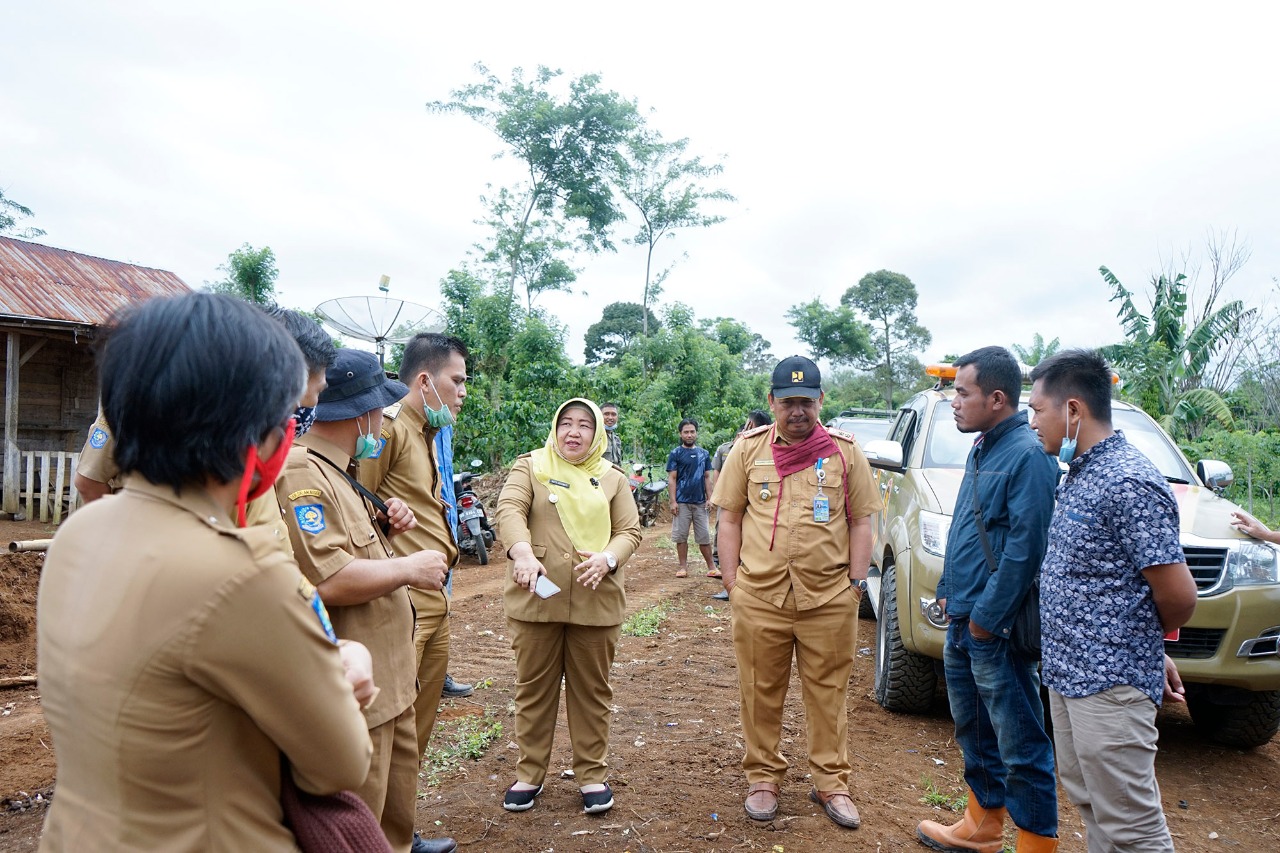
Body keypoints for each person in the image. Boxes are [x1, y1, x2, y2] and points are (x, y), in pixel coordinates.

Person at [37, 293, 374, 851]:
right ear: (254, 427)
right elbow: (339, 765)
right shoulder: (241, 575)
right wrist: (350, 668)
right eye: (287, 413)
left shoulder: (79, 535)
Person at [277, 349, 456, 853]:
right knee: (359, 833)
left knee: (393, 828)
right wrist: (408, 567)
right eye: (379, 409)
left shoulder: (342, 471)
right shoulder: (301, 472)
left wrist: (382, 522)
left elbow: (344, 544)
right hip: (361, 692)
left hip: (392, 684)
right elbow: (327, 577)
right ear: (363, 415)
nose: (383, 418)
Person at [1028, 349, 1198, 853]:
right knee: (1093, 807)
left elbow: (1179, 597)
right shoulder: (1082, 471)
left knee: (1131, 825)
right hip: (1069, 675)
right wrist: (1146, 642)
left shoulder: (1127, 481)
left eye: (1038, 409)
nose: (1032, 421)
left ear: (1073, 410)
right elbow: (1118, 584)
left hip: (1109, 685)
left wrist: (1135, 647)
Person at [711, 355, 881, 831]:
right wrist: (732, 583)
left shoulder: (846, 453)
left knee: (828, 695)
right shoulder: (748, 451)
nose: (798, 411)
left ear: (821, 401)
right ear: (772, 401)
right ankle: (763, 778)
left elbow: (861, 520)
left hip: (828, 599)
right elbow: (729, 518)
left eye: (806, 401)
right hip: (760, 597)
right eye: (788, 402)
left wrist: (854, 584)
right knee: (759, 691)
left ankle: (831, 782)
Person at [917, 346, 1060, 853]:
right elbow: (973, 532)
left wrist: (984, 622)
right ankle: (983, 824)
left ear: (997, 398)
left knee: (1022, 744)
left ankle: (1035, 844)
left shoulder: (1028, 455)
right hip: (967, 617)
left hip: (995, 629)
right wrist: (951, 596)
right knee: (975, 731)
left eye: (962, 392)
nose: (953, 401)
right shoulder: (984, 446)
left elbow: (1027, 551)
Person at [495, 398, 642, 815]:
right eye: (566, 423)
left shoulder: (612, 478)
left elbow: (629, 530)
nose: (573, 432)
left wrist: (608, 558)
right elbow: (510, 509)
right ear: (555, 428)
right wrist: (521, 552)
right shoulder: (531, 466)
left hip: (596, 600)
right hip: (535, 598)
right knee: (533, 691)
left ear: (598, 433)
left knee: (592, 692)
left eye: (583, 425)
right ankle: (529, 774)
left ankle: (592, 776)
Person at [358, 332, 471, 853]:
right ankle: (369, 834)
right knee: (390, 726)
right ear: (425, 381)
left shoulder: (428, 431)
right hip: (405, 601)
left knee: (416, 727)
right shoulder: (390, 429)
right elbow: (358, 500)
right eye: (458, 380)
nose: (463, 391)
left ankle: (399, 831)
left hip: (435, 598)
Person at [71, 303, 335, 512]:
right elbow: (89, 483)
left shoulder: (260, 434)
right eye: (297, 399)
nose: (302, 412)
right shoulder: (161, 404)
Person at [710, 410, 772, 600]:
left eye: (748, 424)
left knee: (732, 538)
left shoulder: (746, 446)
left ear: (751, 426)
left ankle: (735, 584)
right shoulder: (768, 445)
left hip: (741, 504)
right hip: (751, 505)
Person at [434, 423, 475, 700]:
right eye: (457, 381)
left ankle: (437, 676)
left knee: (442, 612)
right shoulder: (400, 423)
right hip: (422, 536)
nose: (462, 392)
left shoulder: (444, 426)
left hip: (445, 533)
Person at [667, 418, 716, 578]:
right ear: (680, 434)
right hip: (682, 503)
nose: (689, 435)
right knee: (681, 536)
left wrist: (710, 498)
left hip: (700, 502)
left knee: (704, 536)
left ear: (696, 433)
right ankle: (682, 567)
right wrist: (673, 501)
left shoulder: (704, 454)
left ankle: (711, 567)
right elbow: (672, 479)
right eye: (686, 432)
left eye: (692, 431)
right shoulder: (675, 453)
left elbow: (707, 477)